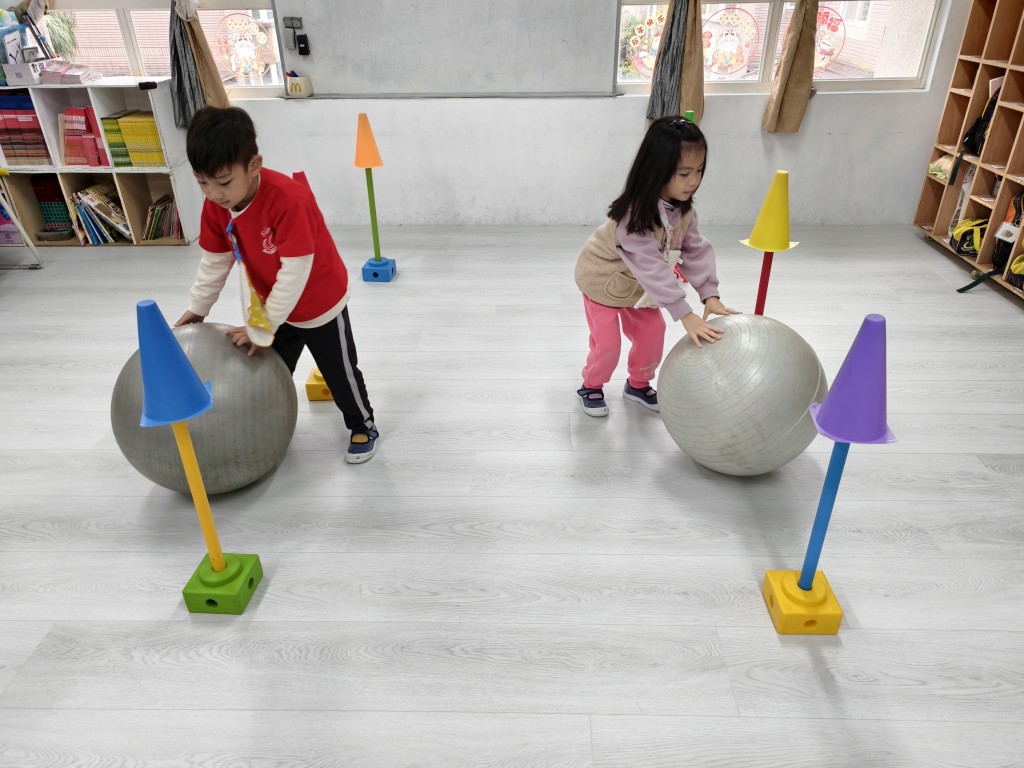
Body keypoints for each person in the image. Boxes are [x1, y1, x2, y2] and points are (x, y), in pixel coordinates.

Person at [175, 106, 379, 464]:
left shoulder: (289, 200)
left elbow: (295, 272)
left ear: (254, 165)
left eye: (223, 182)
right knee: (270, 371)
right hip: (272, 304)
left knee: (339, 374)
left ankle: (362, 423)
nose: (214, 193)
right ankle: (270, 425)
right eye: (202, 182)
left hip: (318, 303)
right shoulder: (216, 206)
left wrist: (263, 325)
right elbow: (216, 259)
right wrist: (198, 308)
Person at [573, 115, 739, 417]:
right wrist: (684, 313)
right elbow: (649, 264)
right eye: (684, 172)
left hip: (640, 287)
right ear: (656, 169)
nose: (693, 181)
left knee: (652, 334)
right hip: (603, 281)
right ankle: (591, 385)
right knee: (608, 345)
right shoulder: (634, 216)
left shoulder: (684, 211)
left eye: (699, 170)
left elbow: (695, 249)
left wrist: (709, 295)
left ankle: (638, 385)